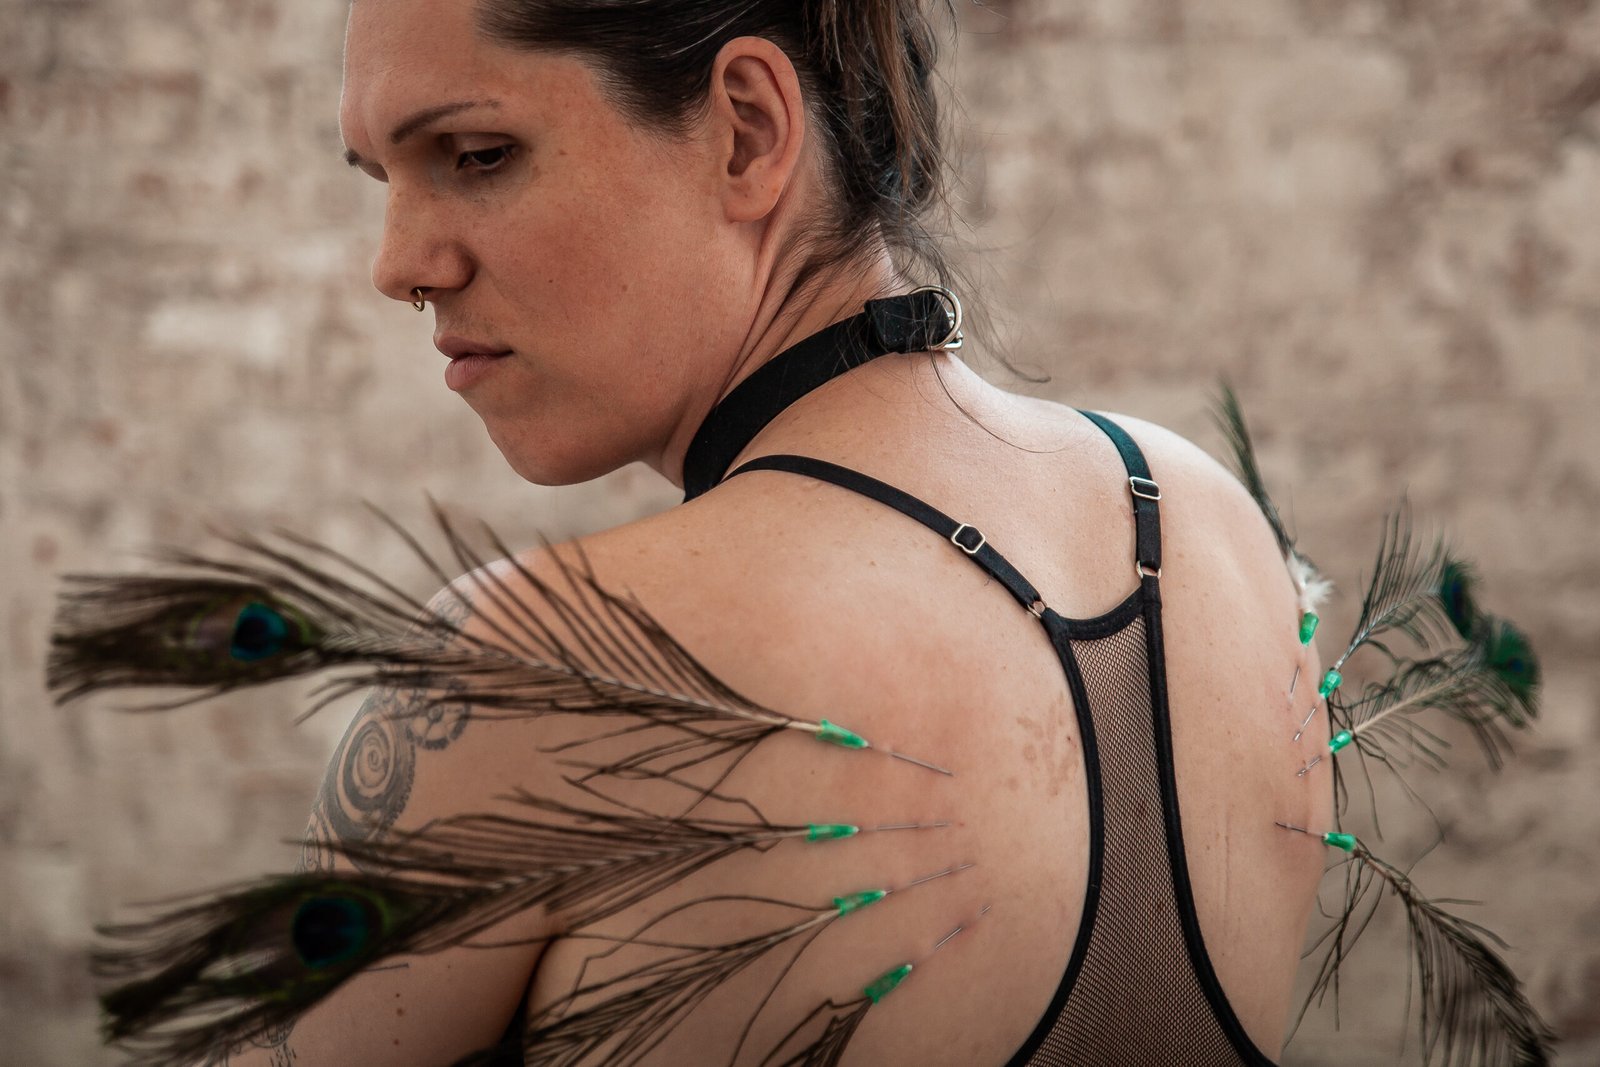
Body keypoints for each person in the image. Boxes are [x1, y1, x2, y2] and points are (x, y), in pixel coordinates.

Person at [230, 1, 1331, 1063]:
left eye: (476, 154)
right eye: (383, 179)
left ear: (746, 131)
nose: (400, 264)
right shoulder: (1212, 527)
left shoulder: (547, 667)